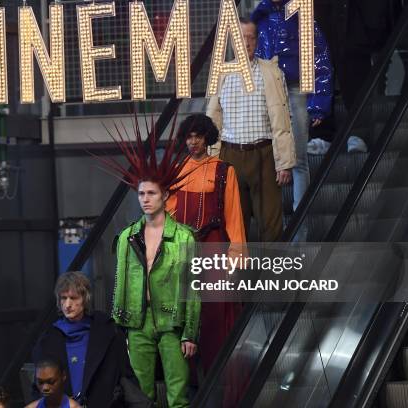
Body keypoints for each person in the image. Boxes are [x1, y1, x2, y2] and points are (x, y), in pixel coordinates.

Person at [103, 118, 200, 408]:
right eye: (141, 193)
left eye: (151, 193)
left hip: (172, 322)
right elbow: (119, 282)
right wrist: (119, 327)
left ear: (166, 196)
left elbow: (192, 289)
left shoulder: (183, 237)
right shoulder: (127, 237)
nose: (145, 199)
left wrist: (190, 333)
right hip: (136, 322)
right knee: (138, 395)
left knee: (178, 396)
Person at [166, 113, 246, 372]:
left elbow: (233, 215)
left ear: (207, 138)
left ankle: (217, 374)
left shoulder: (224, 170)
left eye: (198, 136)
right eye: (189, 137)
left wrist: (236, 258)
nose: (193, 142)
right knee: (182, 311)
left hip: (214, 248)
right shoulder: (176, 171)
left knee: (213, 312)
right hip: (184, 248)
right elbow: (168, 214)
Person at [207, 18, 296, 242]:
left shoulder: (272, 73)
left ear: (257, 41)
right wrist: (211, 163)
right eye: (241, 37)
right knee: (234, 226)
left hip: (264, 154)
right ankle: (239, 277)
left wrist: (284, 163)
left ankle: (273, 276)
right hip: (230, 157)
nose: (246, 42)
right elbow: (213, 121)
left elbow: (283, 119)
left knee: (271, 225)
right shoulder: (221, 74)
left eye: (251, 37)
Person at [252, 0, 333, 235]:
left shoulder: (300, 16)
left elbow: (320, 58)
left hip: (296, 90)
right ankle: (278, 227)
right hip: (268, 91)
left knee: (297, 161)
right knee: (271, 159)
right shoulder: (261, 20)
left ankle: (300, 227)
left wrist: (318, 104)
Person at [32, 272, 149, 408]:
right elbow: (38, 388)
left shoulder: (109, 332)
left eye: (73, 298)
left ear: (85, 299)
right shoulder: (48, 340)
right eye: (63, 298)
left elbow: (127, 378)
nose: (67, 304)